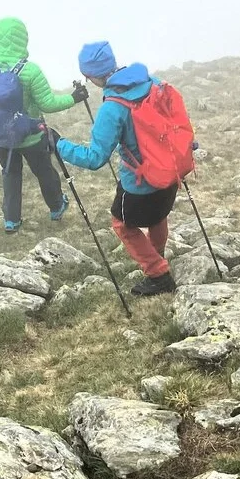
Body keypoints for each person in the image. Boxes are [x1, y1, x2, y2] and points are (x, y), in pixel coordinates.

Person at [50, 42, 178, 296]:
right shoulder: (152, 81)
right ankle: (158, 255)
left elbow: (95, 158)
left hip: (140, 182)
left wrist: (59, 144)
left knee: (122, 225)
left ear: (92, 75)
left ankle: (157, 273)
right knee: (158, 215)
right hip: (170, 171)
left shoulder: (112, 107)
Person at [0, 17, 86, 234]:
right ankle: (57, 207)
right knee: (43, 171)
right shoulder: (30, 71)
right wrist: (74, 98)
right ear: (23, 39)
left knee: (11, 173)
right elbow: (48, 104)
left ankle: (11, 220)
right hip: (29, 135)